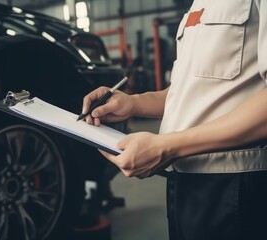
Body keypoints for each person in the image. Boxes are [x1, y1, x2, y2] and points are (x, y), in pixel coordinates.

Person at [81, 1, 267, 240]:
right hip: (183, 182)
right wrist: (134, 103)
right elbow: (190, 91)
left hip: (236, 186)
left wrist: (167, 146)